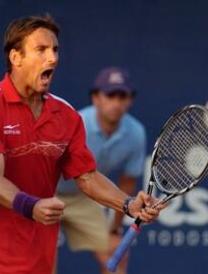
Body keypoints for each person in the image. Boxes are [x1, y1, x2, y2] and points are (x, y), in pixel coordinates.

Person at [0, 14, 165, 274]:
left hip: (38, 259)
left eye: (55, 50)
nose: (53, 58)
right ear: (15, 57)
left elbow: (87, 177)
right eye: (41, 50)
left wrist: (128, 204)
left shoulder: (66, 116)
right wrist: (31, 206)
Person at [56, 66, 145, 274]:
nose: (116, 102)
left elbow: (126, 183)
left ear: (130, 100)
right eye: (110, 95)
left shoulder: (136, 134)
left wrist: (114, 229)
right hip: (48, 192)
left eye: (122, 96)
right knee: (43, 256)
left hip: (85, 195)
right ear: (96, 98)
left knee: (115, 254)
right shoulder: (76, 123)